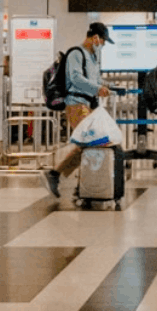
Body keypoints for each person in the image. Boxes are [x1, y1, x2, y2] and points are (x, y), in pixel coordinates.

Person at [41, 23, 120, 199]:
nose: (103, 45)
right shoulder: (76, 53)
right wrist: (97, 89)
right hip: (76, 104)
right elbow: (75, 78)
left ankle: (80, 183)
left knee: (92, 142)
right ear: (95, 38)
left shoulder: (92, 56)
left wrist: (111, 87)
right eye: (103, 41)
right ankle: (56, 175)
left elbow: (96, 79)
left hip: (89, 105)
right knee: (89, 141)